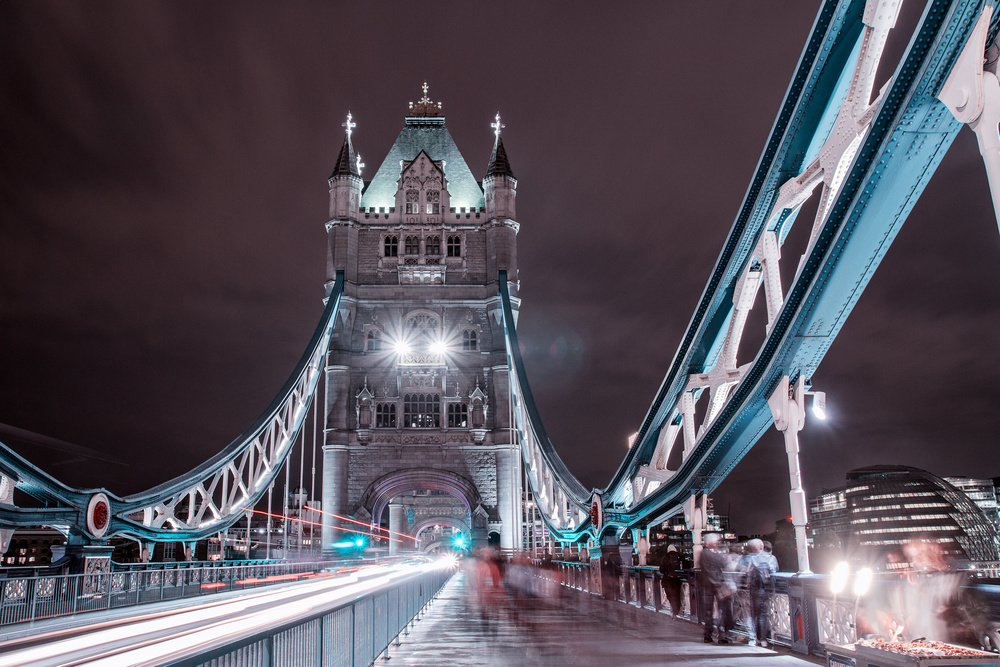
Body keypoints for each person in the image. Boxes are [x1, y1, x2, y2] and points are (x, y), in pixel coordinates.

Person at [738, 538, 778, 647]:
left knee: (751, 614)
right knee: (763, 614)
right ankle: (764, 639)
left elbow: (740, 571)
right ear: (761, 547)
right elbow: (775, 571)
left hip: (750, 590)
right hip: (767, 590)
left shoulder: (745, 559)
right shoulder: (771, 558)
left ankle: (753, 638)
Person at [698, 533, 734, 644]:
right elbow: (723, 564)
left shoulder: (703, 554)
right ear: (712, 543)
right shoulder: (710, 554)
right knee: (720, 610)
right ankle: (721, 635)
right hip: (716, 585)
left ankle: (708, 635)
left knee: (709, 611)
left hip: (707, 585)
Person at [659, 545, 683, 616]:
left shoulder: (665, 557)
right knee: (677, 595)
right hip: (677, 580)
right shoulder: (680, 557)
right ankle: (678, 611)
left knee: (670, 596)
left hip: (668, 580)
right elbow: (687, 566)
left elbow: (661, 570)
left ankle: (674, 613)